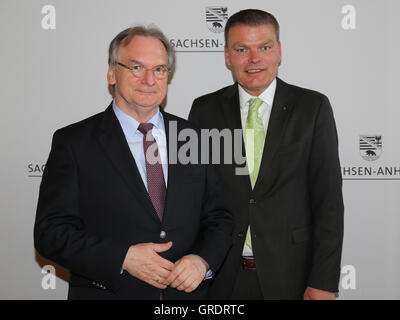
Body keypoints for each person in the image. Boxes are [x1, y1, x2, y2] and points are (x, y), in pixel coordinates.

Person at [34, 26, 233, 300]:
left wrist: (202, 260)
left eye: (160, 69)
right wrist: (122, 258)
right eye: (137, 67)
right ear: (112, 73)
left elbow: (219, 217)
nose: (149, 80)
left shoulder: (193, 136)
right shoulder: (74, 142)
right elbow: (51, 232)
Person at [189, 9, 344, 300]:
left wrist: (323, 282)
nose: (254, 59)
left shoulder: (312, 108)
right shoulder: (204, 110)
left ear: (279, 51)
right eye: (241, 49)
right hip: (221, 279)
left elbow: (329, 203)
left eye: (264, 47)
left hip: (293, 278)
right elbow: (194, 197)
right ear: (227, 56)